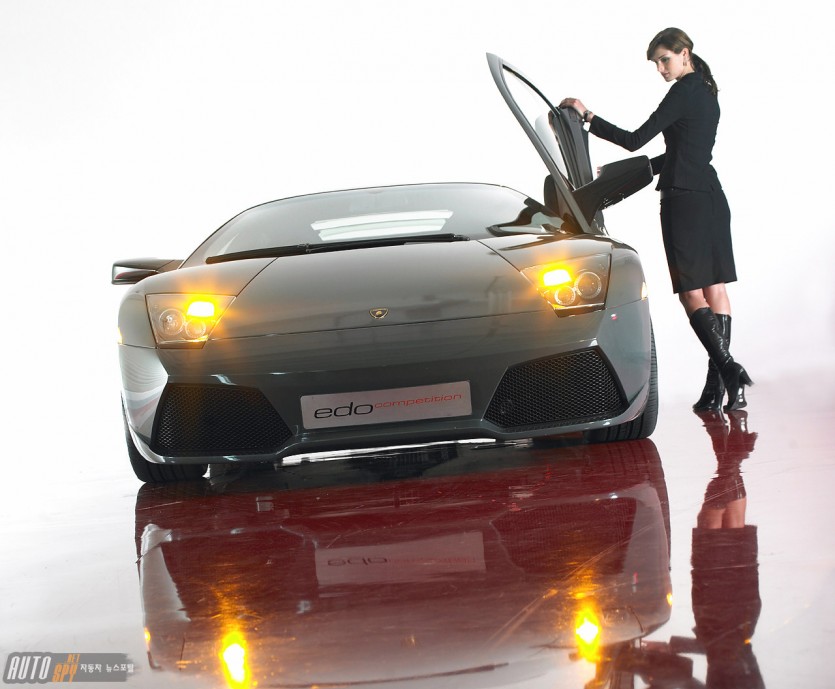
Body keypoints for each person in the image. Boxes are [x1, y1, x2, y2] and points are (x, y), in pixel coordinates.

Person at [560, 27, 751, 412]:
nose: (661, 69)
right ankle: (718, 389)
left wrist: (587, 115)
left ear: (684, 53)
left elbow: (634, 139)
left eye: (665, 60)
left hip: (684, 201)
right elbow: (683, 154)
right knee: (715, 288)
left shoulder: (682, 91)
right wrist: (623, 173)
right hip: (711, 197)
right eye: (656, 63)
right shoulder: (708, 91)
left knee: (691, 294)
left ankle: (730, 370)